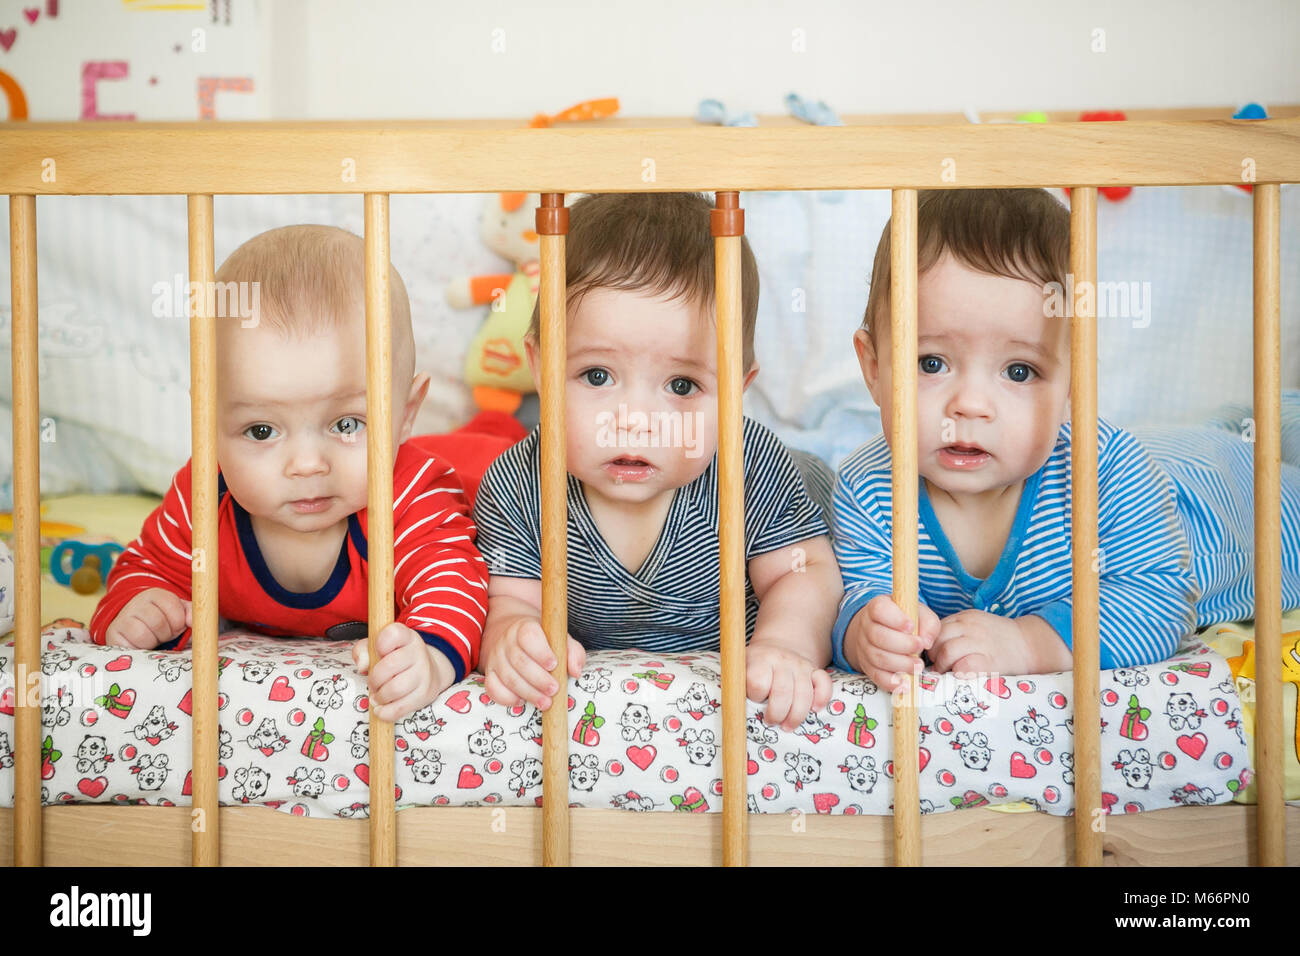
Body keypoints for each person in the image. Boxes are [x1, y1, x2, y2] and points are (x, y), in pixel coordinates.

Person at [833, 188, 1300, 690]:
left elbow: (1160, 605)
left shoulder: (1108, 470)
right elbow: (861, 593)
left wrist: (1027, 642)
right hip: (1177, 455)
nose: (970, 404)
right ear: (874, 368)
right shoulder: (867, 489)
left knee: (1270, 440)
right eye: (932, 363)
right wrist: (864, 633)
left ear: (1074, 386)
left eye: (1018, 370)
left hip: (1229, 498)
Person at [89, 225, 496, 722]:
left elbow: (455, 580)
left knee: (510, 462)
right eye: (261, 431)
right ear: (208, 421)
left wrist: (431, 656)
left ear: (407, 412)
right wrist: (139, 607)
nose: (307, 465)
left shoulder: (408, 493)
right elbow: (146, 568)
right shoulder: (203, 496)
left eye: (347, 424)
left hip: (477, 470)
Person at [472, 192, 843, 731]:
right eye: (597, 376)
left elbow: (804, 575)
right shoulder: (518, 484)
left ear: (737, 392)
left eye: (682, 384)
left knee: (818, 499)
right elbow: (509, 600)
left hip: (787, 505)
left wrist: (785, 643)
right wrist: (514, 634)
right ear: (540, 365)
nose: (635, 419)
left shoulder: (751, 466)